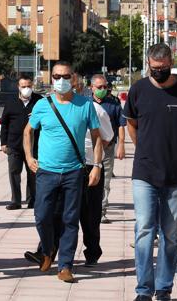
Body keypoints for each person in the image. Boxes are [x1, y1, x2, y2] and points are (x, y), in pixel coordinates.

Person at [124, 44, 177, 301]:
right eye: (153, 68)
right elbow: (132, 125)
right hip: (145, 172)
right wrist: (146, 150)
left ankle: (164, 288)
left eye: (163, 68)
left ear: (171, 63)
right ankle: (144, 290)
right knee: (145, 229)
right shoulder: (138, 90)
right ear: (148, 64)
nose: (158, 72)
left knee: (170, 233)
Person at [23, 61, 103, 283]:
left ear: (73, 78)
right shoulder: (42, 105)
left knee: (70, 219)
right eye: (56, 76)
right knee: (42, 216)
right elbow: (28, 132)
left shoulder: (85, 105)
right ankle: (48, 251)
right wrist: (29, 158)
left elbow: (97, 137)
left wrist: (97, 166)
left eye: (65, 76)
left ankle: (65, 266)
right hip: (46, 171)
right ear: (51, 79)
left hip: (74, 172)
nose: (61, 81)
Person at [79, 89, 114, 267]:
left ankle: (92, 252)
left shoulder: (95, 110)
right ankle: (48, 251)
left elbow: (107, 137)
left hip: (89, 167)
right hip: (63, 168)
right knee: (56, 213)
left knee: (90, 214)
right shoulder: (53, 107)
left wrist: (96, 161)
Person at [0, 74, 42, 210]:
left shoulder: (39, 101)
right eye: (23, 86)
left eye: (29, 86)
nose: (26, 89)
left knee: (33, 174)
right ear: (18, 87)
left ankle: (32, 200)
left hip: (34, 145)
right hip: (14, 144)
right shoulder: (11, 102)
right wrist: (3, 142)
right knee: (14, 172)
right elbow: (4, 123)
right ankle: (16, 201)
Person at [90, 75, 127, 224]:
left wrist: (121, 145)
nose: (103, 90)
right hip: (88, 148)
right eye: (99, 87)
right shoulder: (85, 103)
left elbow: (121, 124)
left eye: (105, 87)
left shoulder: (114, 103)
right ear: (92, 88)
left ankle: (101, 212)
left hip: (108, 148)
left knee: (104, 181)